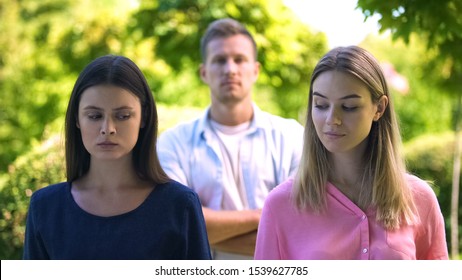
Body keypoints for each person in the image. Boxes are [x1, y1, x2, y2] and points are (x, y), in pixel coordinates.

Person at [254, 46, 449, 260]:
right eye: (320, 105)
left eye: (348, 107)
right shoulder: (281, 205)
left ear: (379, 108)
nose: (331, 119)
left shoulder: (419, 200)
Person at [23, 55, 211, 260]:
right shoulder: (45, 207)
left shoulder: (180, 205)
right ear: (77, 118)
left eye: (122, 116)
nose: (108, 129)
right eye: (94, 116)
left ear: (144, 117)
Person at [157, 18, 304, 259]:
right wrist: (267, 214)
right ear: (204, 72)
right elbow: (175, 225)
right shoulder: (173, 143)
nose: (230, 69)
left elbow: (301, 229)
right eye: (219, 60)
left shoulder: (292, 136)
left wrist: (205, 229)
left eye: (239, 59)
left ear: (255, 70)